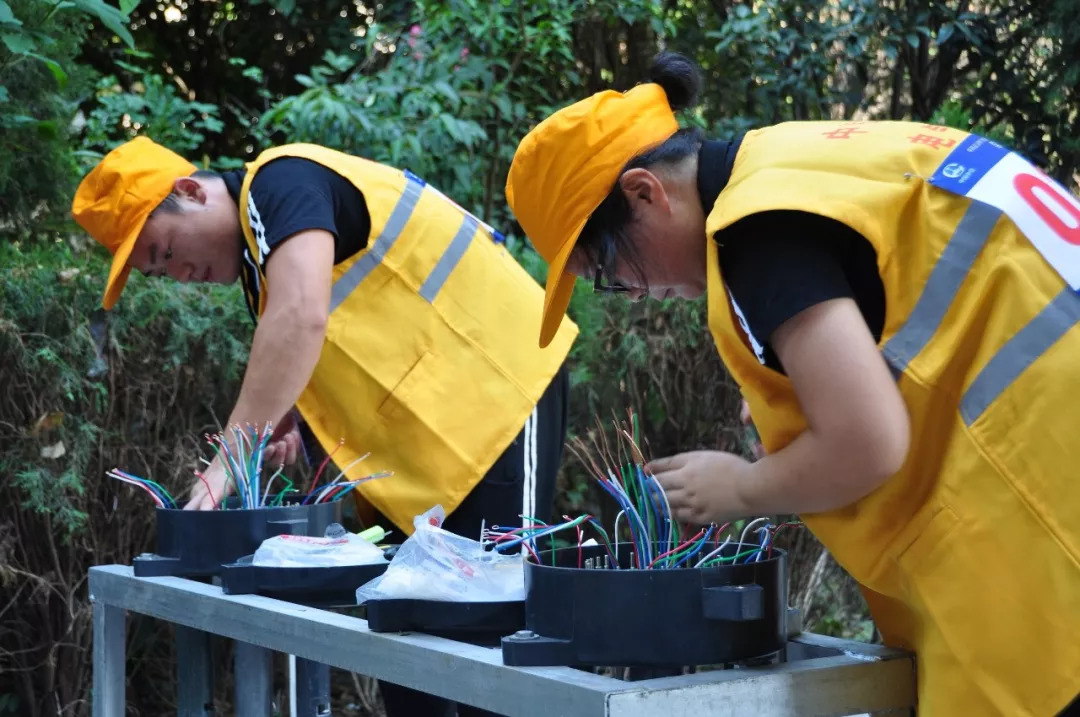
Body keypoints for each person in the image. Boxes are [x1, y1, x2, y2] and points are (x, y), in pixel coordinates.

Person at [505, 51, 1080, 716]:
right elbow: (933, 313)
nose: (630, 293)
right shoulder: (799, 164)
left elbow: (869, 441)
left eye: (605, 268)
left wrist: (742, 487)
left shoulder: (756, 230)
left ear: (644, 193)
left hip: (1041, 519)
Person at [72, 137, 576, 717]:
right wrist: (291, 414)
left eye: (163, 252)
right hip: (425, 456)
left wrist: (223, 470)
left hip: (501, 396)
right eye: (157, 272)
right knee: (405, 648)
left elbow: (301, 315)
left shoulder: (280, 183)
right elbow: (323, 330)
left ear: (189, 191)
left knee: (490, 639)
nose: (178, 274)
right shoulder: (260, 265)